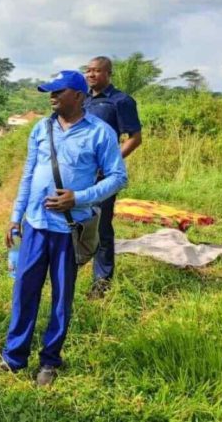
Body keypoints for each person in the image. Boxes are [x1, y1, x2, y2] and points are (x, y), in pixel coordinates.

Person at [0, 71, 127, 386]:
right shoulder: (41, 128)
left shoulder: (100, 133)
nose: (51, 97)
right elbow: (28, 174)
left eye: (58, 91)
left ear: (78, 95)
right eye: (49, 91)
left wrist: (78, 197)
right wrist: (15, 215)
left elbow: (118, 176)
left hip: (69, 229)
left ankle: (50, 361)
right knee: (24, 292)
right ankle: (14, 357)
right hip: (35, 225)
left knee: (61, 297)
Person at [83, 56, 143, 298]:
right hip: (78, 173)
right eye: (88, 71)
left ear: (108, 73)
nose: (91, 75)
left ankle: (101, 282)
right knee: (73, 222)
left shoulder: (121, 101)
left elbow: (135, 138)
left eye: (96, 71)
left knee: (101, 225)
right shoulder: (82, 99)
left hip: (103, 176)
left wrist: (111, 163)